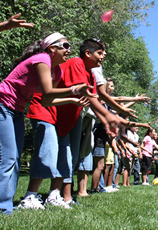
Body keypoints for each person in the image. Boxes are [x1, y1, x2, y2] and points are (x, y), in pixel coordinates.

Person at [0, 32, 93, 214]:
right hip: (3, 104)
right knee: (8, 158)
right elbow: (48, 90)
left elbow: (47, 100)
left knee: (15, 158)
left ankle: (7, 204)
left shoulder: (57, 70)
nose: (69, 50)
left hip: (17, 110)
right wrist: (74, 89)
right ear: (52, 48)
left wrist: (73, 100)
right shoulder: (42, 59)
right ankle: (5, 207)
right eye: (65, 46)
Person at [57, 39, 122, 205]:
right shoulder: (76, 63)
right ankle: (56, 194)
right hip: (58, 114)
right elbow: (88, 96)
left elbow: (94, 98)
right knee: (64, 155)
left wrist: (106, 121)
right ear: (88, 53)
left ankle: (66, 196)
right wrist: (108, 116)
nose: (103, 56)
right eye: (99, 53)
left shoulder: (90, 74)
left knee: (72, 155)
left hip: (75, 115)